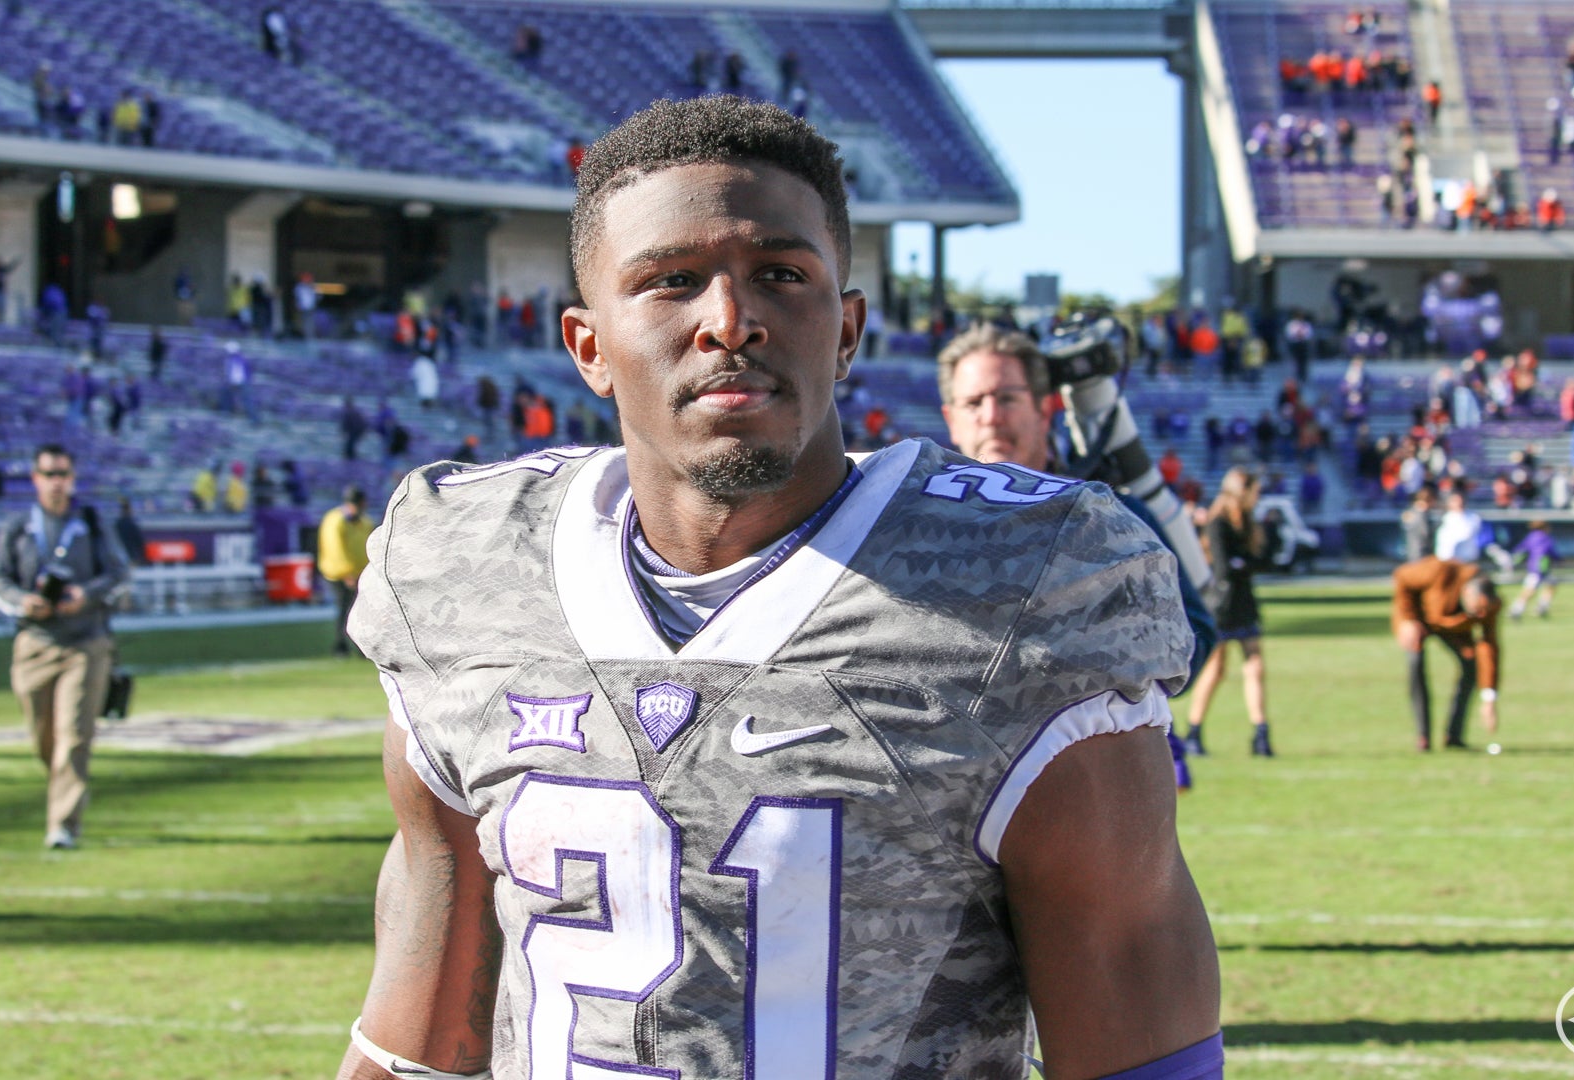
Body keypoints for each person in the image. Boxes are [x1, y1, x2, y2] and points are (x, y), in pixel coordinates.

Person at [338, 96, 1221, 1080]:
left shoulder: (1025, 587)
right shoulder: (466, 569)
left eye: (779, 274)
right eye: (671, 281)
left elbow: (1142, 1045)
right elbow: (419, 1028)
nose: (730, 321)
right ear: (588, 347)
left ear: (845, 331)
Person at [935, 322, 1217, 788]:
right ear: (951, 418)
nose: (990, 416)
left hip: (1094, 788)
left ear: (1046, 408)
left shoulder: (1111, 513)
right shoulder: (924, 525)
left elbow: (1195, 637)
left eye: (1007, 398)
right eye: (974, 402)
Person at [0, 444, 131, 849]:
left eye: (63, 473)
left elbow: (120, 573)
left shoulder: (91, 523)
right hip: (34, 642)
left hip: (85, 641)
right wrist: (21, 602)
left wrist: (87, 595)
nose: (56, 482)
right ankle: (69, 783)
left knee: (75, 734)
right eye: (49, 474)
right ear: (35, 479)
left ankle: (63, 825)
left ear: (73, 478)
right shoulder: (18, 527)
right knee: (44, 737)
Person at [1186, 468, 1275, 757]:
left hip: (1244, 601)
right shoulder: (1218, 522)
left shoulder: (1248, 523)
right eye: (1254, 492)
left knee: (1255, 664)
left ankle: (1261, 732)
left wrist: (1246, 561)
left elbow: (1259, 561)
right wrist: (1245, 563)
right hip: (1222, 604)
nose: (1257, 498)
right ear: (1242, 491)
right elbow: (1224, 567)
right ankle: (1195, 730)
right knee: (1216, 669)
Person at [1392, 555, 1500, 752]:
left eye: (1484, 612)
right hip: (1420, 619)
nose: (1480, 616)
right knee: (1416, 663)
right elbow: (1402, 577)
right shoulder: (1440, 571)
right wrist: (1408, 619)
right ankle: (1423, 737)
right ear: (1466, 592)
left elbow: (1488, 645)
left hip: (1454, 629)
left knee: (1472, 666)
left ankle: (1454, 736)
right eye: (1477, 609)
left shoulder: (1489, 604)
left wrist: (1489, 697)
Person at [316, 486, 373, 658]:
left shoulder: (364, 522)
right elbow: (335, 549)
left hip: (360, 574)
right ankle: (340, 645)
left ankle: (362, 647)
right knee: (344, 609)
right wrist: (347, 573)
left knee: (362, 611)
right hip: (339, 575)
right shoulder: (336, 520)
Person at [1510, 519, 1559, 620]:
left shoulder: (1531, 537)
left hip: (1533, 567)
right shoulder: (1545, 538)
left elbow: (1521, 549)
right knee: (1530, 590)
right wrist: (1558, 559)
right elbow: (1549, 551)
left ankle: (1541, 607)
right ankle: (1517, 609)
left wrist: (1514, 558)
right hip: (1541, 567)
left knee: (1551, 584)